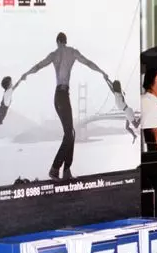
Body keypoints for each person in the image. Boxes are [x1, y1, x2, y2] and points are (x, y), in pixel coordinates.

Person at [17, 32, 110, 180]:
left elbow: (38, 66)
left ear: (58, 42)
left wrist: (26, 74)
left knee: (70, 133)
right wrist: (102, 72)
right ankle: (55, 169)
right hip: (64, 95)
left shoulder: (54, 54)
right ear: (65, 41)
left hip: (58, 97)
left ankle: (66, 171)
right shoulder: (72, 52)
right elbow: (88, 62)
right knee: (69, 134)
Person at [108, 79, 140, 143]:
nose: (113, 88)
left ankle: (142, 117)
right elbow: (112, 86)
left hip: (127, 111)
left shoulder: (117, 94)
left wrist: (106, 80)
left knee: (136, 126)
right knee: (127, 127)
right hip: (126, 112)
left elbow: (111, 88)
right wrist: (107, 80)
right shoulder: (118, 93)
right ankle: (134, 136)